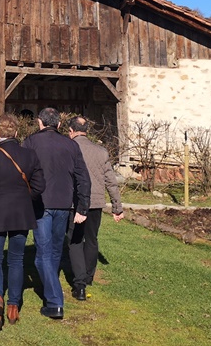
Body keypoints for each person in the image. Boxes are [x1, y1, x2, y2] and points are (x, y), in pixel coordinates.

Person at [0, 114, 46, 331]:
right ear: (16, 133)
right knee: (16, 260)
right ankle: (13, 305)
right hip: (21, 212)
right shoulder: (30, 155)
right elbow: (40, 186)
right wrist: (27, 198)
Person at [21, 107, 91, 320]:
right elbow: (84, 178)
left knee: (43, 254)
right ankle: (53, 291)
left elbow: (22, 173)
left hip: (40, 202)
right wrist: (82, 207)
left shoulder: (31, 142)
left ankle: (54, 301)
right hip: (63, 203)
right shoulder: (71, 145)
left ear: (39, 122)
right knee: (52, 251)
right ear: (59, 125)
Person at [67, 116, 124, 301]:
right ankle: (89, 275)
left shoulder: (69, 149)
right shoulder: (101, 151)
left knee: (75, 240)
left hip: (75, 203)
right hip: (96, 202)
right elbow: (111, 181)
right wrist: (117, 206)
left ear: (71, 130)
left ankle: (80, 281)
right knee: (91, 239)